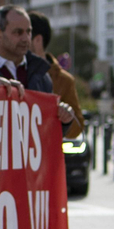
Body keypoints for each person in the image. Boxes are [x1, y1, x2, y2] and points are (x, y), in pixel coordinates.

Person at [0, 5, 78, 128]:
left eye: (28, 32)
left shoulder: (42, 74)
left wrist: (64, 120)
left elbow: (46, 131)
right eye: (18, 32)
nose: (25, 38)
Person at [29, 10, 85, 139]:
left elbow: (78, 126)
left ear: (37, 40)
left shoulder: (63, 80)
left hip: (45, 152)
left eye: (25, 34)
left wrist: (64, 117)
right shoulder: (13, 70)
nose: (20, 40)